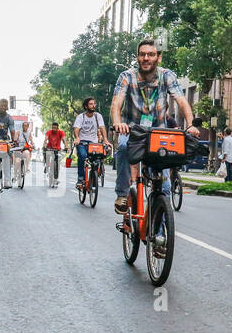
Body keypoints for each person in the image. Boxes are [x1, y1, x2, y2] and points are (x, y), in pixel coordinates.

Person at [109, 39, 194, 213]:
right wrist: (118, 123)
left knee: (165, 188)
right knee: (123, 146)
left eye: (151, 54)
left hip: (159, 134)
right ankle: (122, 194)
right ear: (138, 57)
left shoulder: (167, 76)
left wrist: (191, 125)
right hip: (132, 131)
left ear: (158, 58)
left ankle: (160, 230)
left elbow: (182, 101)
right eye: (142, 54)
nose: (146, 58)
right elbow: (116, 104)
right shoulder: (126, 76)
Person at [72, 97, 110, 190]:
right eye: (91, 104)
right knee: (82, 155)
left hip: (94, 143)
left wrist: (105, 139)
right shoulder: (81, 117)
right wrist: (77, 138)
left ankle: (93, 179)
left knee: (96, 161)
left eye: (94, 104)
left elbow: (102, 127)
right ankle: (81, 179)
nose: (93, 106)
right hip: (82, 142)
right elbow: (76, 129)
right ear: (86, 106)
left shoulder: (98, 116)